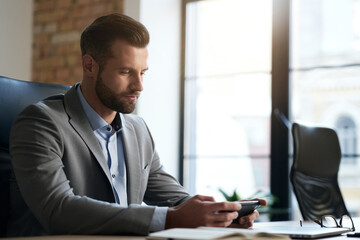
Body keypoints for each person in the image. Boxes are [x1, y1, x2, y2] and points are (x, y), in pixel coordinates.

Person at [7, 13, 267, 237]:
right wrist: (171, 219)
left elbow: (175, 200)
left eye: (142, 73)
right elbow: (58, 208)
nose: (139, 86)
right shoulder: (40, 122)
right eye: (125, 72)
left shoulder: (137, 129)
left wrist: (219, 215)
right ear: (89, 66)